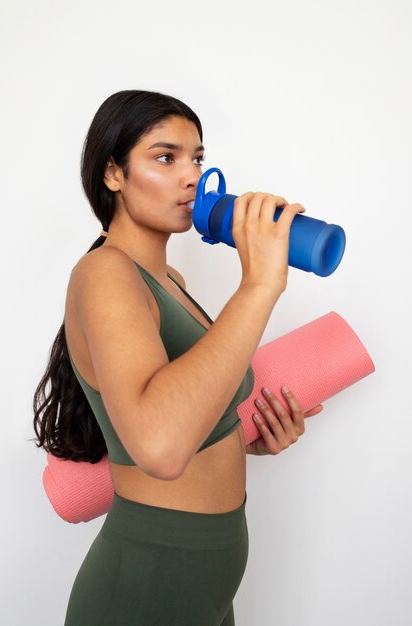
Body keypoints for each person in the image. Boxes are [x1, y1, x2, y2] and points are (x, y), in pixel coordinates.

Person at [32, 89, 322, 625]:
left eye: (197, 158)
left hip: (202, 580)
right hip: (150, 582)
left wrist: (241, 439)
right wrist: (259, 285)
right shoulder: (104, 274)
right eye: (165, 157)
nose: (191, 175)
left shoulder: (171, 283)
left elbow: (172, 413)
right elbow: (160, 449)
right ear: (113, 173)